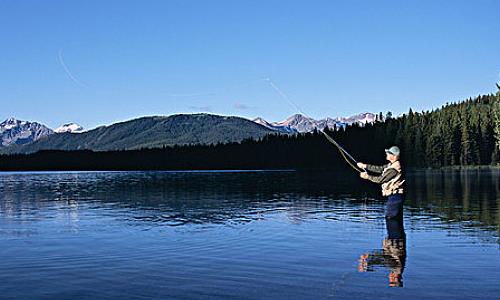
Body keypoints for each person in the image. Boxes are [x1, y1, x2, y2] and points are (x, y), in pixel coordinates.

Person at [356, 146, 405, 219]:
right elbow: (380, 169)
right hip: (395, 197)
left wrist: (367, 177)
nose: (386, 154)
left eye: (388, 153)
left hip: (395, 197)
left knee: (391, 219)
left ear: (394, 156)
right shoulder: (390, 165)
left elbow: (380, 180)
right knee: (394, 220)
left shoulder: (394, 169)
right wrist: (364, 166)